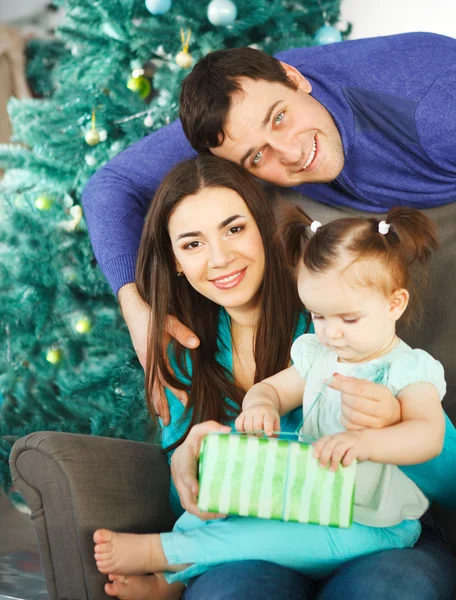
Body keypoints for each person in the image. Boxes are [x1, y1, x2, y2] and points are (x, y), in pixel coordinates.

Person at [82, 34, 456, 599]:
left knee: (390, 588)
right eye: (191, 244)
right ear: (176, 264)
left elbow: (442, 477)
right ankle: (180, 572)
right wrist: (188, 458)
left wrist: (386, 429)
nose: (220, 258)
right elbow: (109, 185)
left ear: (266, 228)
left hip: (372, 527)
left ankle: (170, 565)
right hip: (255, 544)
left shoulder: (335, 317)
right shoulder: (185, 348)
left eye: (234, 229)